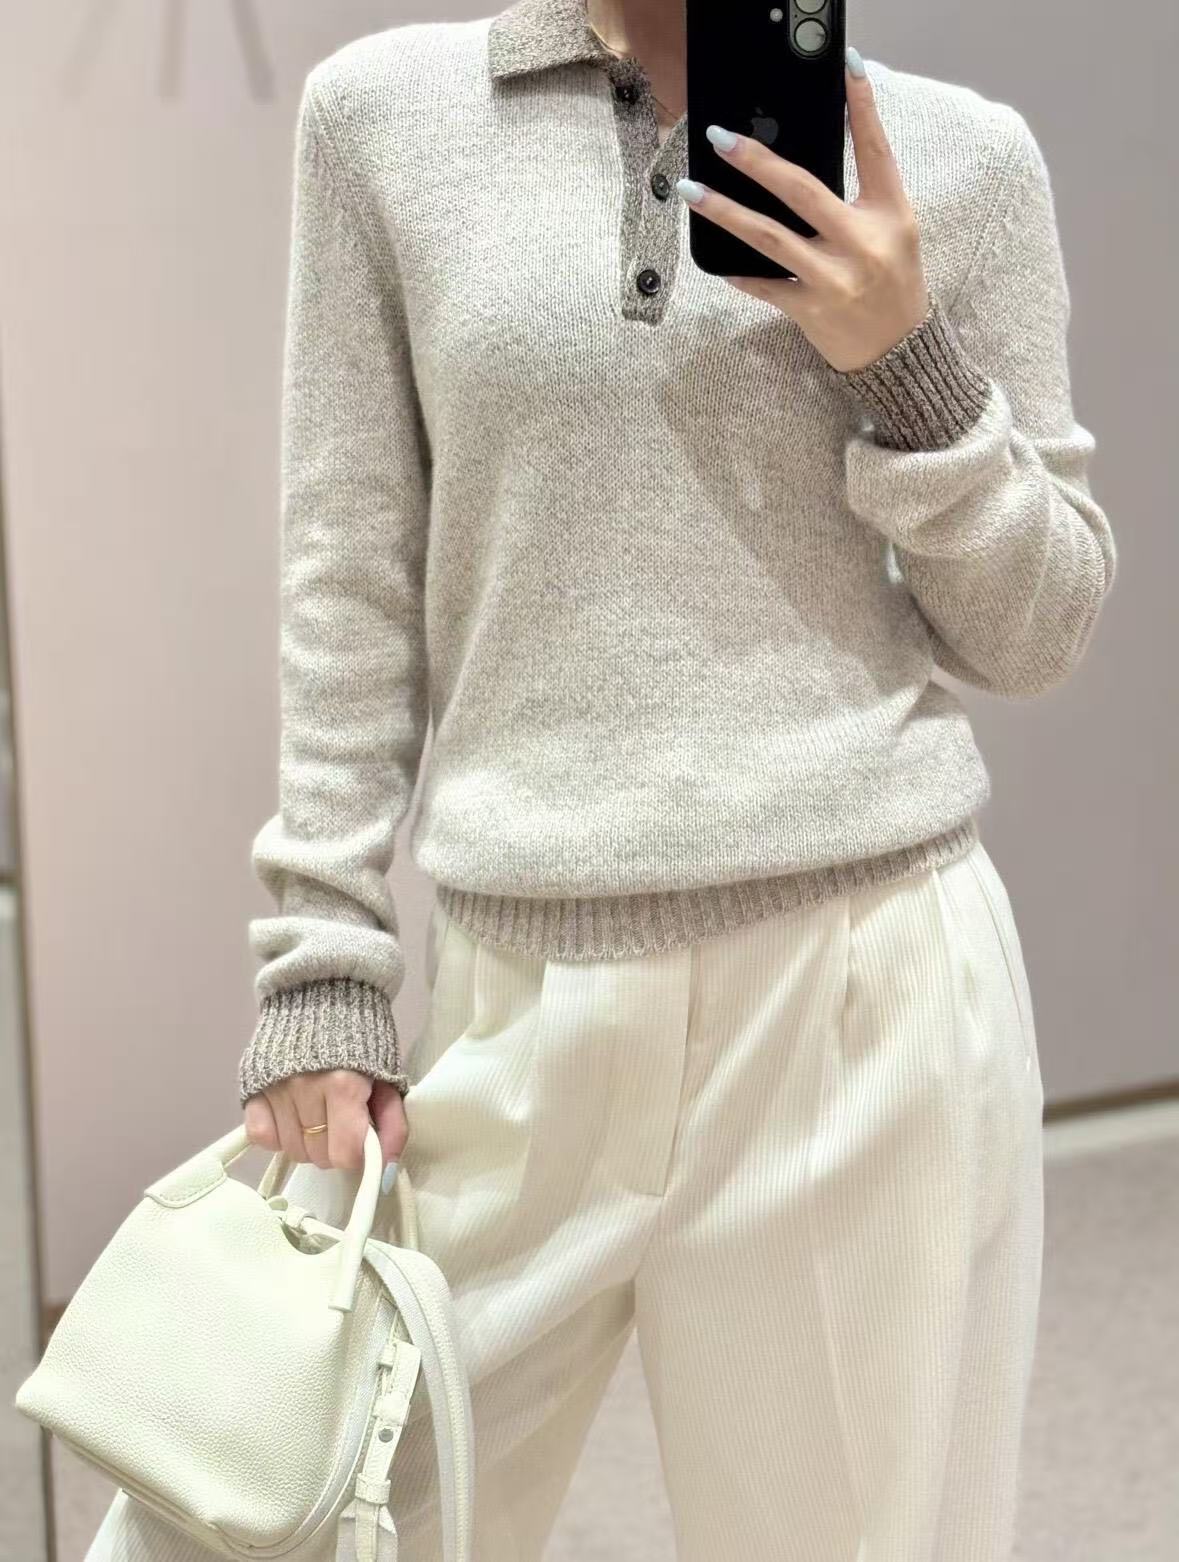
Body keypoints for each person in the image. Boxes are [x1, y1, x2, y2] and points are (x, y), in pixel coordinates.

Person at [87, 1, 1117, 1558]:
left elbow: (1039, 630)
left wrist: (910, 366)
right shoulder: (384, 121)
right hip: (516, 1001)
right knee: (265, 1511)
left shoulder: (960, 159)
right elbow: (347, 571)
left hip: (861, 1000)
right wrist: (323, 959)